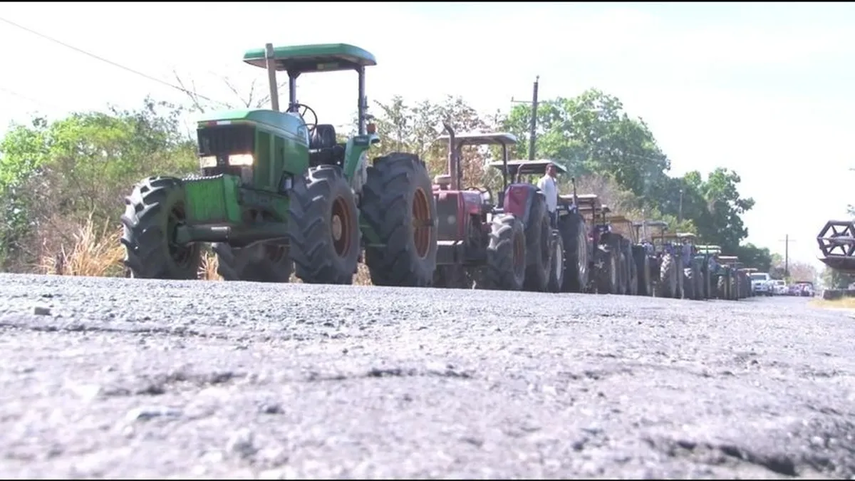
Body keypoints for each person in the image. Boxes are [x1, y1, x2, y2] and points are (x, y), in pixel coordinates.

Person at [537, 162, 559, 226]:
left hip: (553, 209)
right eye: (551, 170)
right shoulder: (543, 181)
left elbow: (555, 194)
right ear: (547, 170)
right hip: (546, 210)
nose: (553, 172)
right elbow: (540, 195)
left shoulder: (554, 181)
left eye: (554, 170)